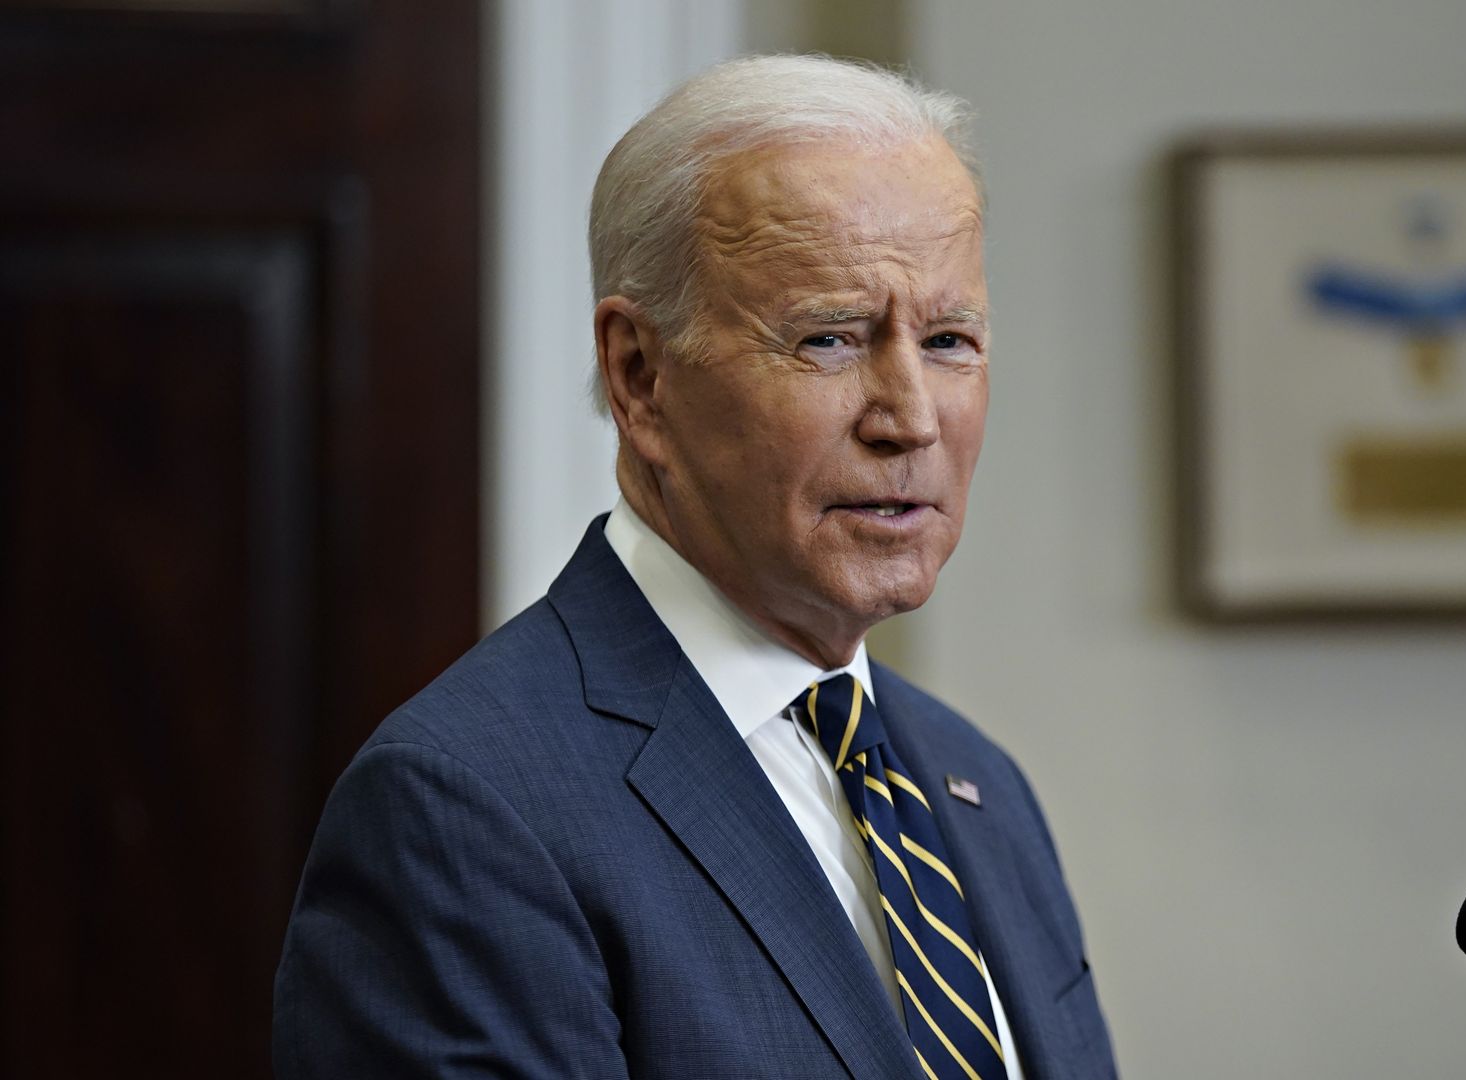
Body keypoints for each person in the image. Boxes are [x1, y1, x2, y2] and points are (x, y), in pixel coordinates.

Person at [272, 55, 1117, 1079]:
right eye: (830, 339)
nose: (911, 418)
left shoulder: (977, 782)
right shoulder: (465, 809)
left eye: (947, 339)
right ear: (640, 376)